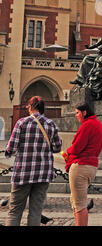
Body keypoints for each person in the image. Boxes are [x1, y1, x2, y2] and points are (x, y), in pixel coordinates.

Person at [4, 96, 62, 226]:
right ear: (42, 109)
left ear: (30, 107)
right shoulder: (51, 124)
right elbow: (57, 147)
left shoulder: (21, 123)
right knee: (36, 211)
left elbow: (12, 147)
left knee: (15, 211)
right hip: (43, 174)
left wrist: (8, 152)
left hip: (23, 173)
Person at [64, 103, 102, 226]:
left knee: (80, 204)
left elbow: (77, 147)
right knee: (77, 202)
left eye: (77, 112)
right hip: (91, 166)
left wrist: (68, 151)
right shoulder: (98, 124)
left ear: (84, 112)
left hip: (81, 166)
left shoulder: (87, 125)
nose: (76, 115)